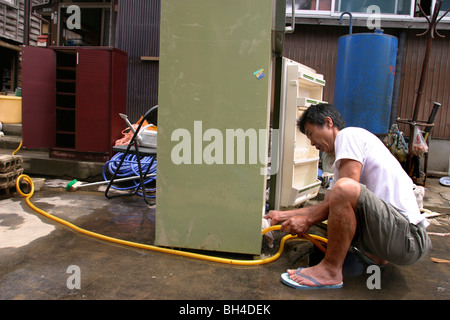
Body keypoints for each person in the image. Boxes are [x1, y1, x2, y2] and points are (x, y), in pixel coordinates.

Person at [265, 103, 432, 289]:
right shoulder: (344, 159)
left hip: (408, 238)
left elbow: (346, 191)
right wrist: (283, 216)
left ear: (328, 123)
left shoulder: (348, 135)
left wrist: (307, 220)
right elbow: (329, 206)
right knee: (337, 198)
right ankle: (376, 256)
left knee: (344, 189)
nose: (312, 143)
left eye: (310, 134)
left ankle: (330, 271)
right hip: (396, 240)